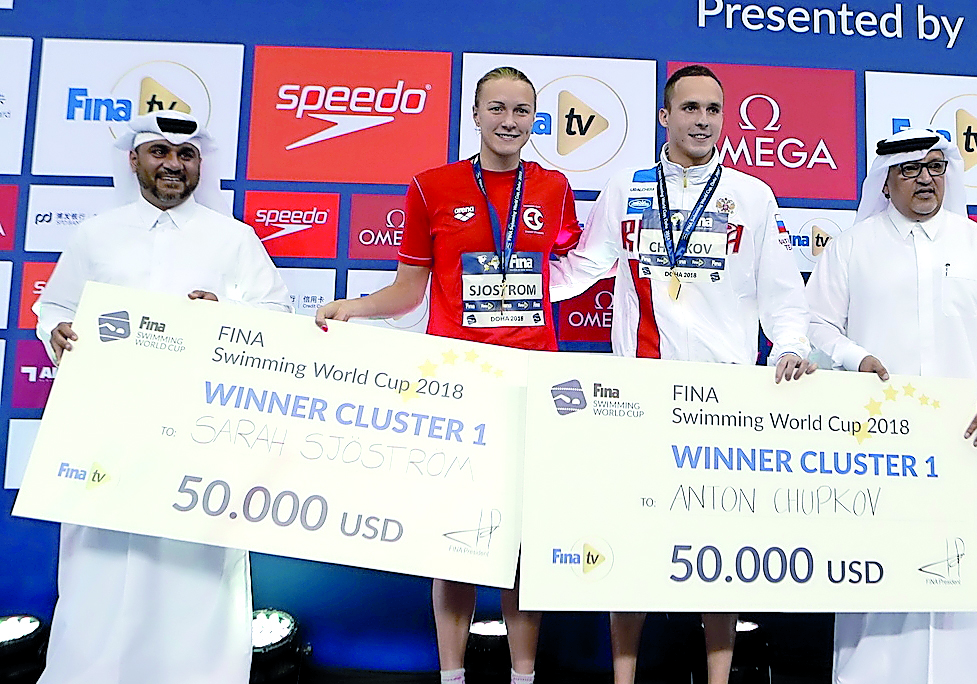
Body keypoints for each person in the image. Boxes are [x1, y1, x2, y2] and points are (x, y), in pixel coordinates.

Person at [549, 64, 814, 684]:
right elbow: (584, 265)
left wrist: (791, 345)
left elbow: (780, 293)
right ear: (664, 117)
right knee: (631, 537)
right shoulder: (628, 185)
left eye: (713, 110)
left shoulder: (752, 195)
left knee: (715, 545)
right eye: (689, 108)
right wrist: (498, 291)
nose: (702, 120)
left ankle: (718, 680)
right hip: (641, 388)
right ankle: (623, 677)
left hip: (723, 395)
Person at [315, 66, 580, 684]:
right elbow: (410, 291)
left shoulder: (554, 186)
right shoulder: (432, 186)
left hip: (529, 382)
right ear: (476, 114)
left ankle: (522, 675)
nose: (509, 122)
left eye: (521, 111)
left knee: (518, 545)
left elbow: (572, 264)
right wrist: (353, 307)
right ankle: (452, 676)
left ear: (534, 119)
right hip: (457, 382)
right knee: (453, 541)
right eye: (497, 109)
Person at [34, 110, 292, 683]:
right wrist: (56, 333)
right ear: (135, 160)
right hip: (108, 430)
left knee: (195, 563)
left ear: (200, 163)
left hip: (199, 434)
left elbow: (276, 319)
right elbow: (55, 309)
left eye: (186, 156)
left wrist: (226, 317)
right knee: (99, 557)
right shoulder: (95, 233)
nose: (173, 165)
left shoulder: (234, 239)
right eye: (160, 153)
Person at [805, 127, 977, 684]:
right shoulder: (850, 248)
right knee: (880, 565)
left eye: (935, 167)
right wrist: (854, 356)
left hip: (970, 440)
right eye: (910, 169)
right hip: (879, 444)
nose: (925, 179)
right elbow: (815, 325)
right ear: (885, 182)